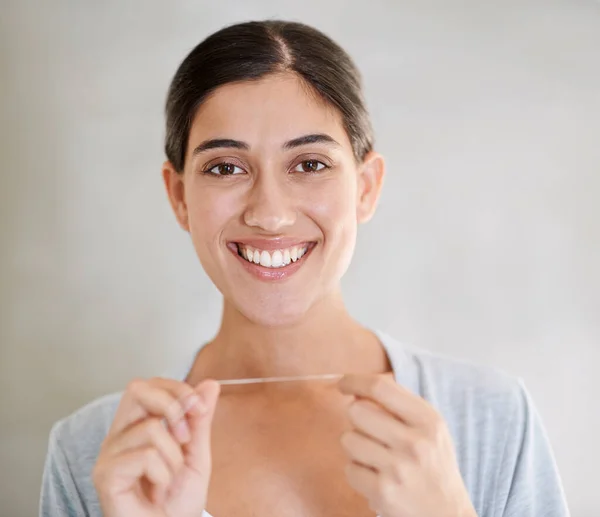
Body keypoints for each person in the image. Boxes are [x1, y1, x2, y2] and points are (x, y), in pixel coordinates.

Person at [40, 19, 569, 517]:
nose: (269, 213)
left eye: (309, 164)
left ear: (365, 188)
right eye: (225, 167)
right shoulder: (95, 454)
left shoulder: (495, 420)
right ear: (179, 197)